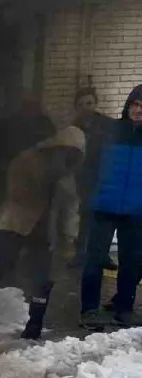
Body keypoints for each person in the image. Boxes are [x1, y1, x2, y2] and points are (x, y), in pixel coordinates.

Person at [0, 126, 85, 339]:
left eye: (73, 153)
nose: (66, 156)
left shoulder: (67, 177)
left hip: (45, 231)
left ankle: (34, 326)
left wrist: (69, 239)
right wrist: (47, 180)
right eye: (65, 150)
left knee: (44, 278)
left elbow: (70, 210)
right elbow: (16, 193)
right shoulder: (27, 160)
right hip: (13, 225)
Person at [80, 84, 142, 330]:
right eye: (136, 105)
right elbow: (88, 167)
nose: (139, 111)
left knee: (132, 261)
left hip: (136, 211)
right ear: (129, 105)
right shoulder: (110, 132)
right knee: (94, 259)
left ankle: (123, 310)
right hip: (103, 206)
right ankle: (89, 311)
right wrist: (88, 196)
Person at [72, 86, 117, 268]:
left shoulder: (110, 125)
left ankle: (103, 255)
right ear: (76, 107)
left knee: (104, 219)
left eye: (89, 103)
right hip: (85, 179)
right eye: (81, 104)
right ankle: (81, 254)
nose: (86, 107)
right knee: (85, 217)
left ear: (95, 104)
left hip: (106, 178)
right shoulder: (73, 128)